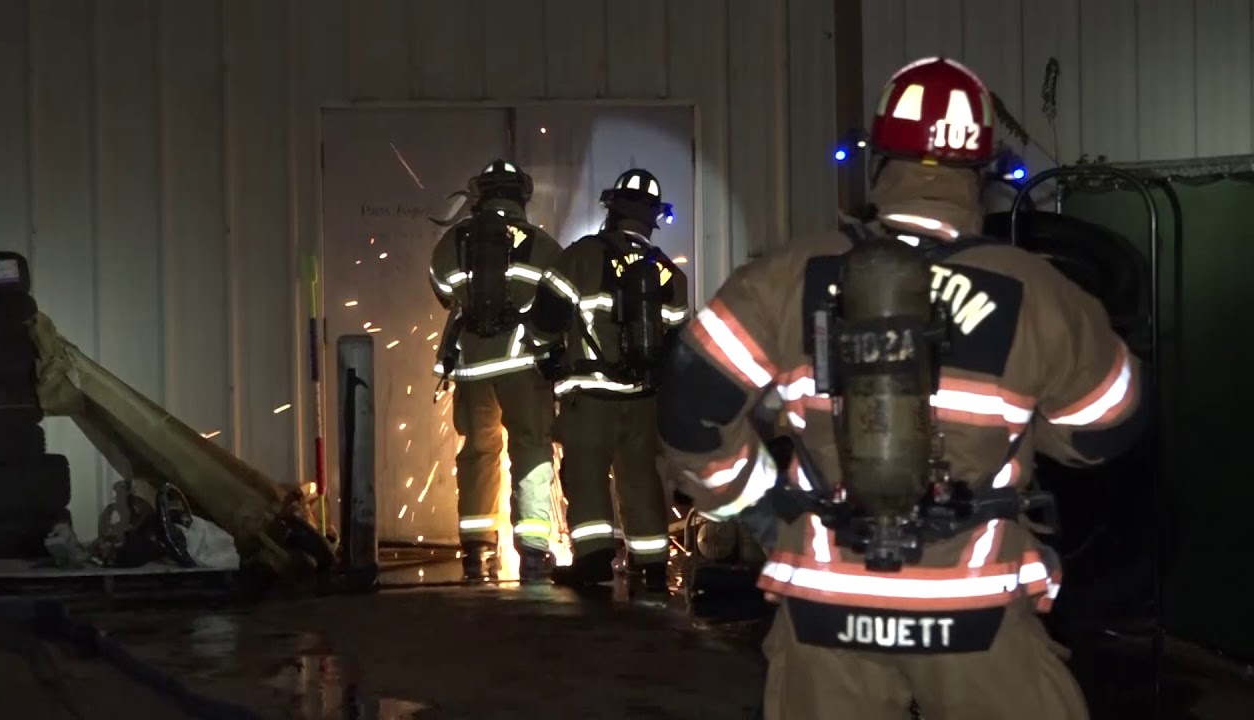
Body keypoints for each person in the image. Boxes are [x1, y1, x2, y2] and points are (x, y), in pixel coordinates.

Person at [658, 57, 1146, 718]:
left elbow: (691, 407)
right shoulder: (1039, 291)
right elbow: (1110, 425)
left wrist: (758, 503)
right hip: (978, 614)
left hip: (827, 614)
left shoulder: (789, 274)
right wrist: (1031, 422)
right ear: (980, 174)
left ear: (879, 162)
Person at [527, 169, 690, 592]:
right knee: (640, 479)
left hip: (590, 398)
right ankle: (652, 561)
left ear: (611, 209)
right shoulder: (670, 274)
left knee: (585, 476)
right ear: (652, 219)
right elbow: (676, 340)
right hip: (641, 401)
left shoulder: (582, 256)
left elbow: (546, 316)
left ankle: (594, 560)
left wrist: (547, 356)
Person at [428, 160, 560, 583]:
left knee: (478, 452)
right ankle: (535, 553)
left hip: (471, 368)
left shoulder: (453, 241)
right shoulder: (541, 243)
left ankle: (475, 550)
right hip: (522, 365)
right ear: (521, 195)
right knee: (531, 449)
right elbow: (558, 302)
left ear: (481, 193)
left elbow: (444, 291)